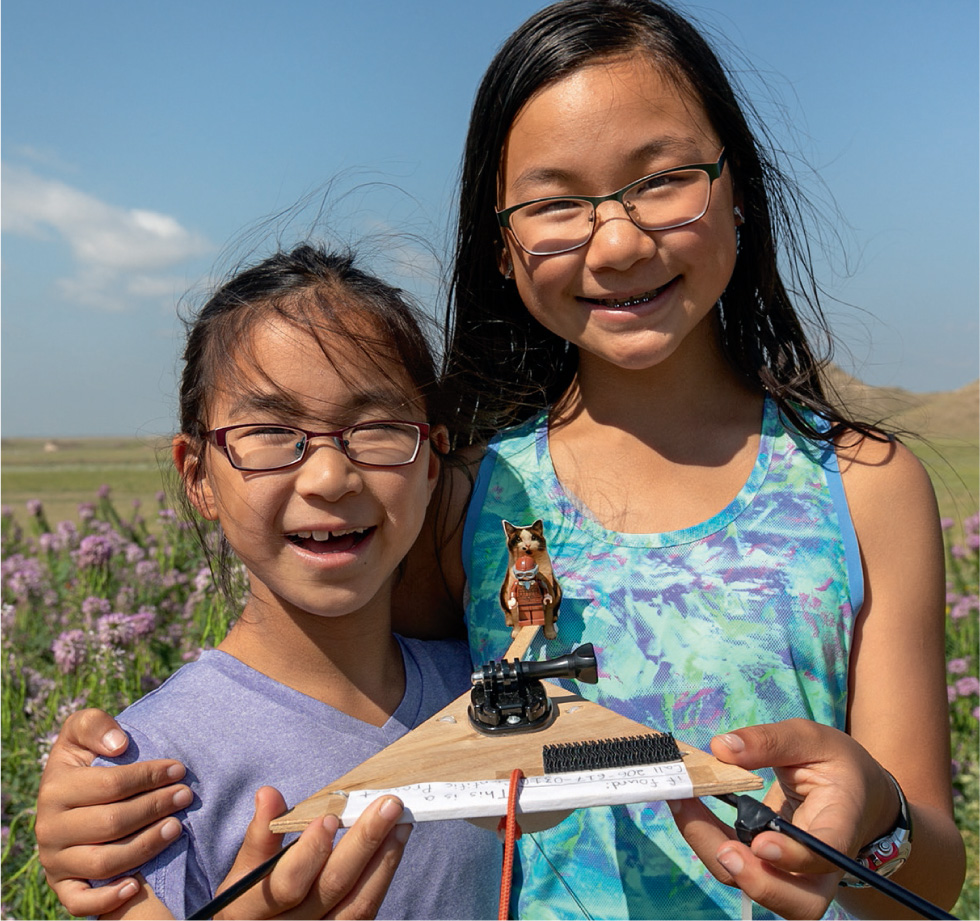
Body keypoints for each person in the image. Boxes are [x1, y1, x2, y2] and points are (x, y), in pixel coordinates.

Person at [36, 1, 964, 918]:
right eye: (555, 202)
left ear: (738, 187)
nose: (618, 241)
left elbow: (934, 877)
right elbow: (317, 697)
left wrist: (876, 813)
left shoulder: (862, 487)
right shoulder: (468, 501)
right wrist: (105, 799)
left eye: (665, 179)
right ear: (502, 248)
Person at [57, 243, 501, 920]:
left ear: (432, 462)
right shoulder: (143, 773)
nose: (329, 478)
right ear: (198, 473)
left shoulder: (484, 692)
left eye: (377, 428)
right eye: (269, 430)